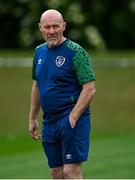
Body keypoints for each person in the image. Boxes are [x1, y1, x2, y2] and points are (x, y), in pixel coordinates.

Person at [29, 9, 96, 179]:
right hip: (49, 121)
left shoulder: (76, 52)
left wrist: (72, 117)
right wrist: (32, 117)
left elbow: (89, 88)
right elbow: (37, 85)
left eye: (56, 26)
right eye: (47, 27)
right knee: (56, 174)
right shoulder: (39, 52)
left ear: (64, 26)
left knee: (71, 172)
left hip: (71, 119)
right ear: (40, 28)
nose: (52, 31)